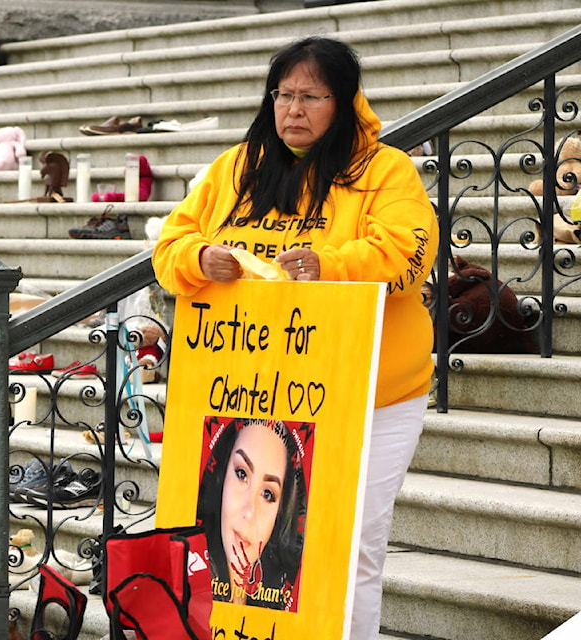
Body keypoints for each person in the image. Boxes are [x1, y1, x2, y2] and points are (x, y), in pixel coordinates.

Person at [153, 36, 437, 639]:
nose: (293, 110)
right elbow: (167, 248)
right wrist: (202, 257)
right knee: (227, 545)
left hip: (371, 398)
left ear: (345, 103)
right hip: (250, 391)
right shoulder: (237, 168)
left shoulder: (385, 170)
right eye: (283, 95)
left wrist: (328, 265)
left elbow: (410, 253)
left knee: (350, 543)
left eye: (312, 96)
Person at [196, 417, 306, 610]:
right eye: (242, 474)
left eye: (267, 494)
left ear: (279, 514)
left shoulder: (278, 599)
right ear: (222, 476)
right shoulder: (190, 586)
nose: (249, 512)